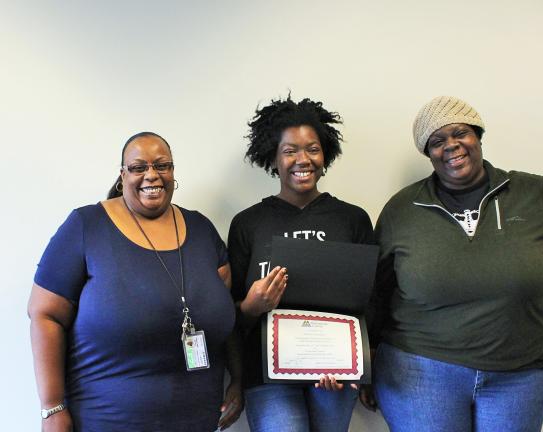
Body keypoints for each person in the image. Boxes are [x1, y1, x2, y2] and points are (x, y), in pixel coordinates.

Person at [362, 96, 543, 432]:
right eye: (437, 141)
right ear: (428, 153)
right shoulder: (403, 209)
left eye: (460, 133)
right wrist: (366, 363)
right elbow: (377, 290)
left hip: (520, 376)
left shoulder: (530, 191)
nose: (451, 146)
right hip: (420, 373)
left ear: (478, 136)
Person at [28, 132, 243, 431]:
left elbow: (226, 317)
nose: (151, 175)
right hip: (107, 420)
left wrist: (238, 380)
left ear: (172, 171)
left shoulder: (202, 229)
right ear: (122, 175)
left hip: (197, 419)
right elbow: (44, 314)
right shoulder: (86, 226)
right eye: (138, 167)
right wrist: (52, 408)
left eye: (162, 165)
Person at [228, 96, 374, 432]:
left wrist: (363, 366)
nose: (302, 159)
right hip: (267, 374)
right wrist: (251, 306)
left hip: (337, 372)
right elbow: (227, 310)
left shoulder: (352, 219)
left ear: (325, 155)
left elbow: (372, 299)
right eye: (290, 150)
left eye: (312, 148)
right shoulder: (248, 223)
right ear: (274, 159)